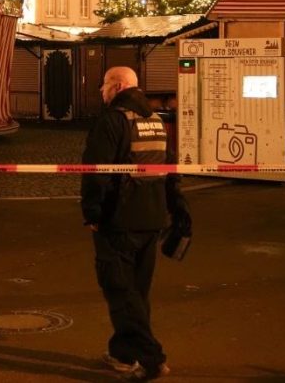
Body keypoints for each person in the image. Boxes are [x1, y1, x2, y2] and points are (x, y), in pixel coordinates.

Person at [81, 66, 190, 381]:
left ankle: (150, 358)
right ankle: (123, 353)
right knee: (136, 292)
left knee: (119, 291)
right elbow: (170, 170)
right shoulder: (154, 121)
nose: (101, 92)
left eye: (103, 85)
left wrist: (93, 214)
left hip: (119, 219)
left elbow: (95, 172)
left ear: (116, 86)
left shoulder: (112, 121)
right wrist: (176, 209)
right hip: (151, 218)